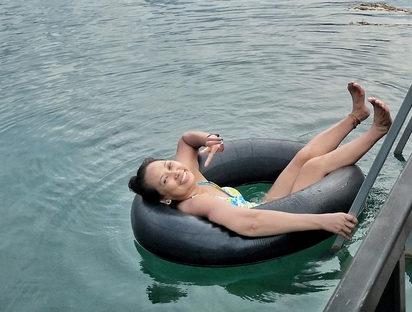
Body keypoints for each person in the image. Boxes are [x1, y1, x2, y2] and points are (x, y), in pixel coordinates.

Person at [128, 82, 392, 239]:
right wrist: (322, 221)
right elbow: (249, 224)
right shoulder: (198, 203)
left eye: (170, 165)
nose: (176, 172)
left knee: (303, 157)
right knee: (314, 166)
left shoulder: (190, 177)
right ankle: (377, 131)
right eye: (166, 179)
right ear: (165, 199)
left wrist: (207, 138)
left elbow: (186, 140)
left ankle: (356, 116)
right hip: (272, 216)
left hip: (264, 203)